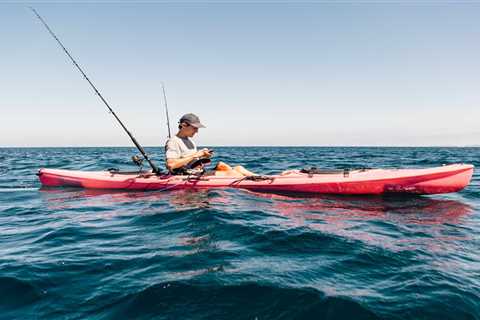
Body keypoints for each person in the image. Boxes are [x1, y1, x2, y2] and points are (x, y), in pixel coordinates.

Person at [165, 113, 256, 177]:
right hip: (185, 175)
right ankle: (253, 182)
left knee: (236, 167)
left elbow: (192, 160)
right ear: (184, 125)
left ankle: (261, 178)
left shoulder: (191, 142)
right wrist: (196, 155)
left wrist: (203, 155)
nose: (197, 131)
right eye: (194, 128)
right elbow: (171, 165)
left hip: (198, 172)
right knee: (232, 173)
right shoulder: (173, 141)